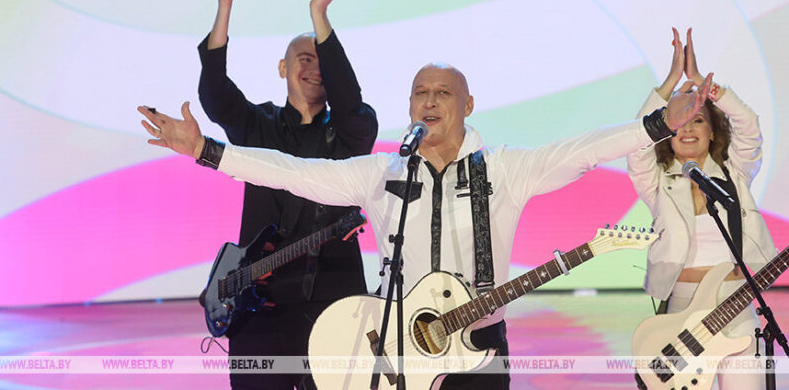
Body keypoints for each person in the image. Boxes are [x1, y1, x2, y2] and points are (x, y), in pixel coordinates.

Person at [139, 61, 710, 389]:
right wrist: (207, 151)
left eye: (443, 93)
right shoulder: (380, 174)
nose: (430, 102)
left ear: (468, 104)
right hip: (395, 351)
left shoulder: (505, 170)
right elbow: (293, 172)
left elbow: (585, 149)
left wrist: (658, 124)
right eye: (420, 93)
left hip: (478, 348)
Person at [197, 0, 378, 390]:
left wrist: (320, 14)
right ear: (283, 68)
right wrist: (225, 6)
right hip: (259, 303)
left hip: (335, 303)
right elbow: (215, 94)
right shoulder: (257, 124)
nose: (315, 70)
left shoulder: (353, 132)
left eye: (323, 63)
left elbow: (350, 101)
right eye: (304, 59)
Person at [627, 28, 777, 389]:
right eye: (679, 122)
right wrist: (669, 85)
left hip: (736, 305)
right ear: (667, 133)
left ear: (713, 131)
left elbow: (749, 127)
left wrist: (703, 85)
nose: (688, 129)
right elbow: (635, 144)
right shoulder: (657, 181)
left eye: (698, 120)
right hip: (682, 311)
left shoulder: (734, 172)